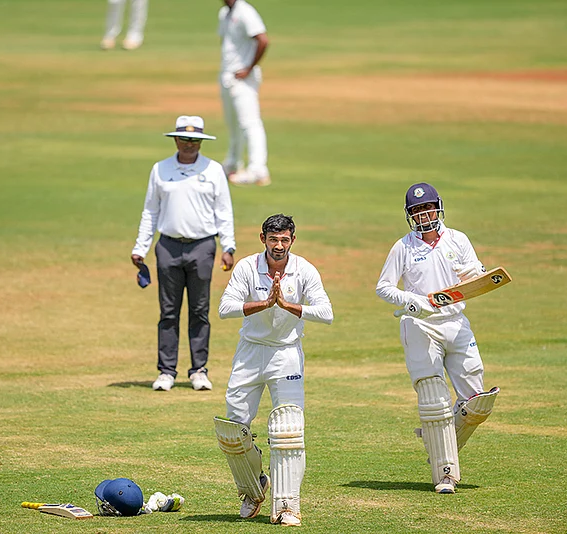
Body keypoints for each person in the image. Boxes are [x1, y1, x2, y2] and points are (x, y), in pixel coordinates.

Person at [375, 183, 500, 495]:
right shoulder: (403, 247)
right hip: (420, 324)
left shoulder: (458, 240)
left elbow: (475, 277)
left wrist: (475, 277)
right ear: (410, 216)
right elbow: (384, 287)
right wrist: (410, 301)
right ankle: (446, 474)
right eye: (417, 211)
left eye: (427, 208)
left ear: (438, 208)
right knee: (435, 400)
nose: (423, 215)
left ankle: (436, 441)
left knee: (478, 403)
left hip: (456, 321)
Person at [214, 214, 333, 526]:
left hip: (286, 354)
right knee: (233, 430)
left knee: (288, 428)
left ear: (292, 240)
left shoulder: (304, 269)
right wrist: (265, 305)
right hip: (250, 352)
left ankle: (287, 507)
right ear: (263, 239)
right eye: (273, 239)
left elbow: (326, 313)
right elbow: (225, 309)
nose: (278, 245)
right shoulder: (246, 267)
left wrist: (287, 306)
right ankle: (253, 488)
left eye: (284, 240)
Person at [131, 115, 236, 392]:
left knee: (199, 310)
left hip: (202, 246)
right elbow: (150, 211)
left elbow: (224, 211)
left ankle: (199, 370)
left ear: (201, 142)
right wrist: (140, 247)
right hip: (168, 245)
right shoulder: (160, 169)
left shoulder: (213, 170)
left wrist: (229, 246)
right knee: (168, 311)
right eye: (184, 139)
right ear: (175, 139)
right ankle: (166, 371)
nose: (189, 144)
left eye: (194, 140)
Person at [217, 0, 271, 186]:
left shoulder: (246, 12)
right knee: (233, 125)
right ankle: (232, 163)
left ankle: (258, 169)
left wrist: (248, 68)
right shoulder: (225, 13)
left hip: (243, 79)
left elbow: (263, 40)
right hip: (227, 76)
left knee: (250, 123)